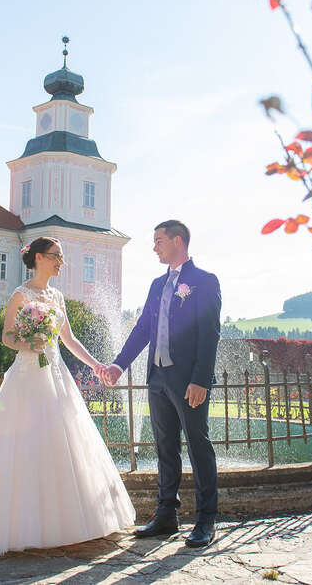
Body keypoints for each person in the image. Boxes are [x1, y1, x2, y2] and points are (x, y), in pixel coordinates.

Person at [0, 237, 136, 555]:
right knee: (23, 444)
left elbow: (69, 339)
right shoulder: (21, 294)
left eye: (62, 257)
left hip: (56, 375)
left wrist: (97, 364)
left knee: (65, 442)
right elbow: (7, 335)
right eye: (56, 256)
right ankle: (23, 525)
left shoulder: (57, 296)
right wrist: (28, 343)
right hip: (27, 376)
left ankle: (69, 523)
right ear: (38, 259)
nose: (61, 262)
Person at [100, 220, 221, 548]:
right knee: (165, 449)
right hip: (158, 379)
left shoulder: (204, 282)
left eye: (159, 241)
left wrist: (200, 380)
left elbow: (210, 333)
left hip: (188, 382)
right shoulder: (156, 285)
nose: (154, 247)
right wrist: (118, 364)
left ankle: (206, 520)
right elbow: (142, 329)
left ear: (178, 240)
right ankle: (166, 515)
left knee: (198, 445)